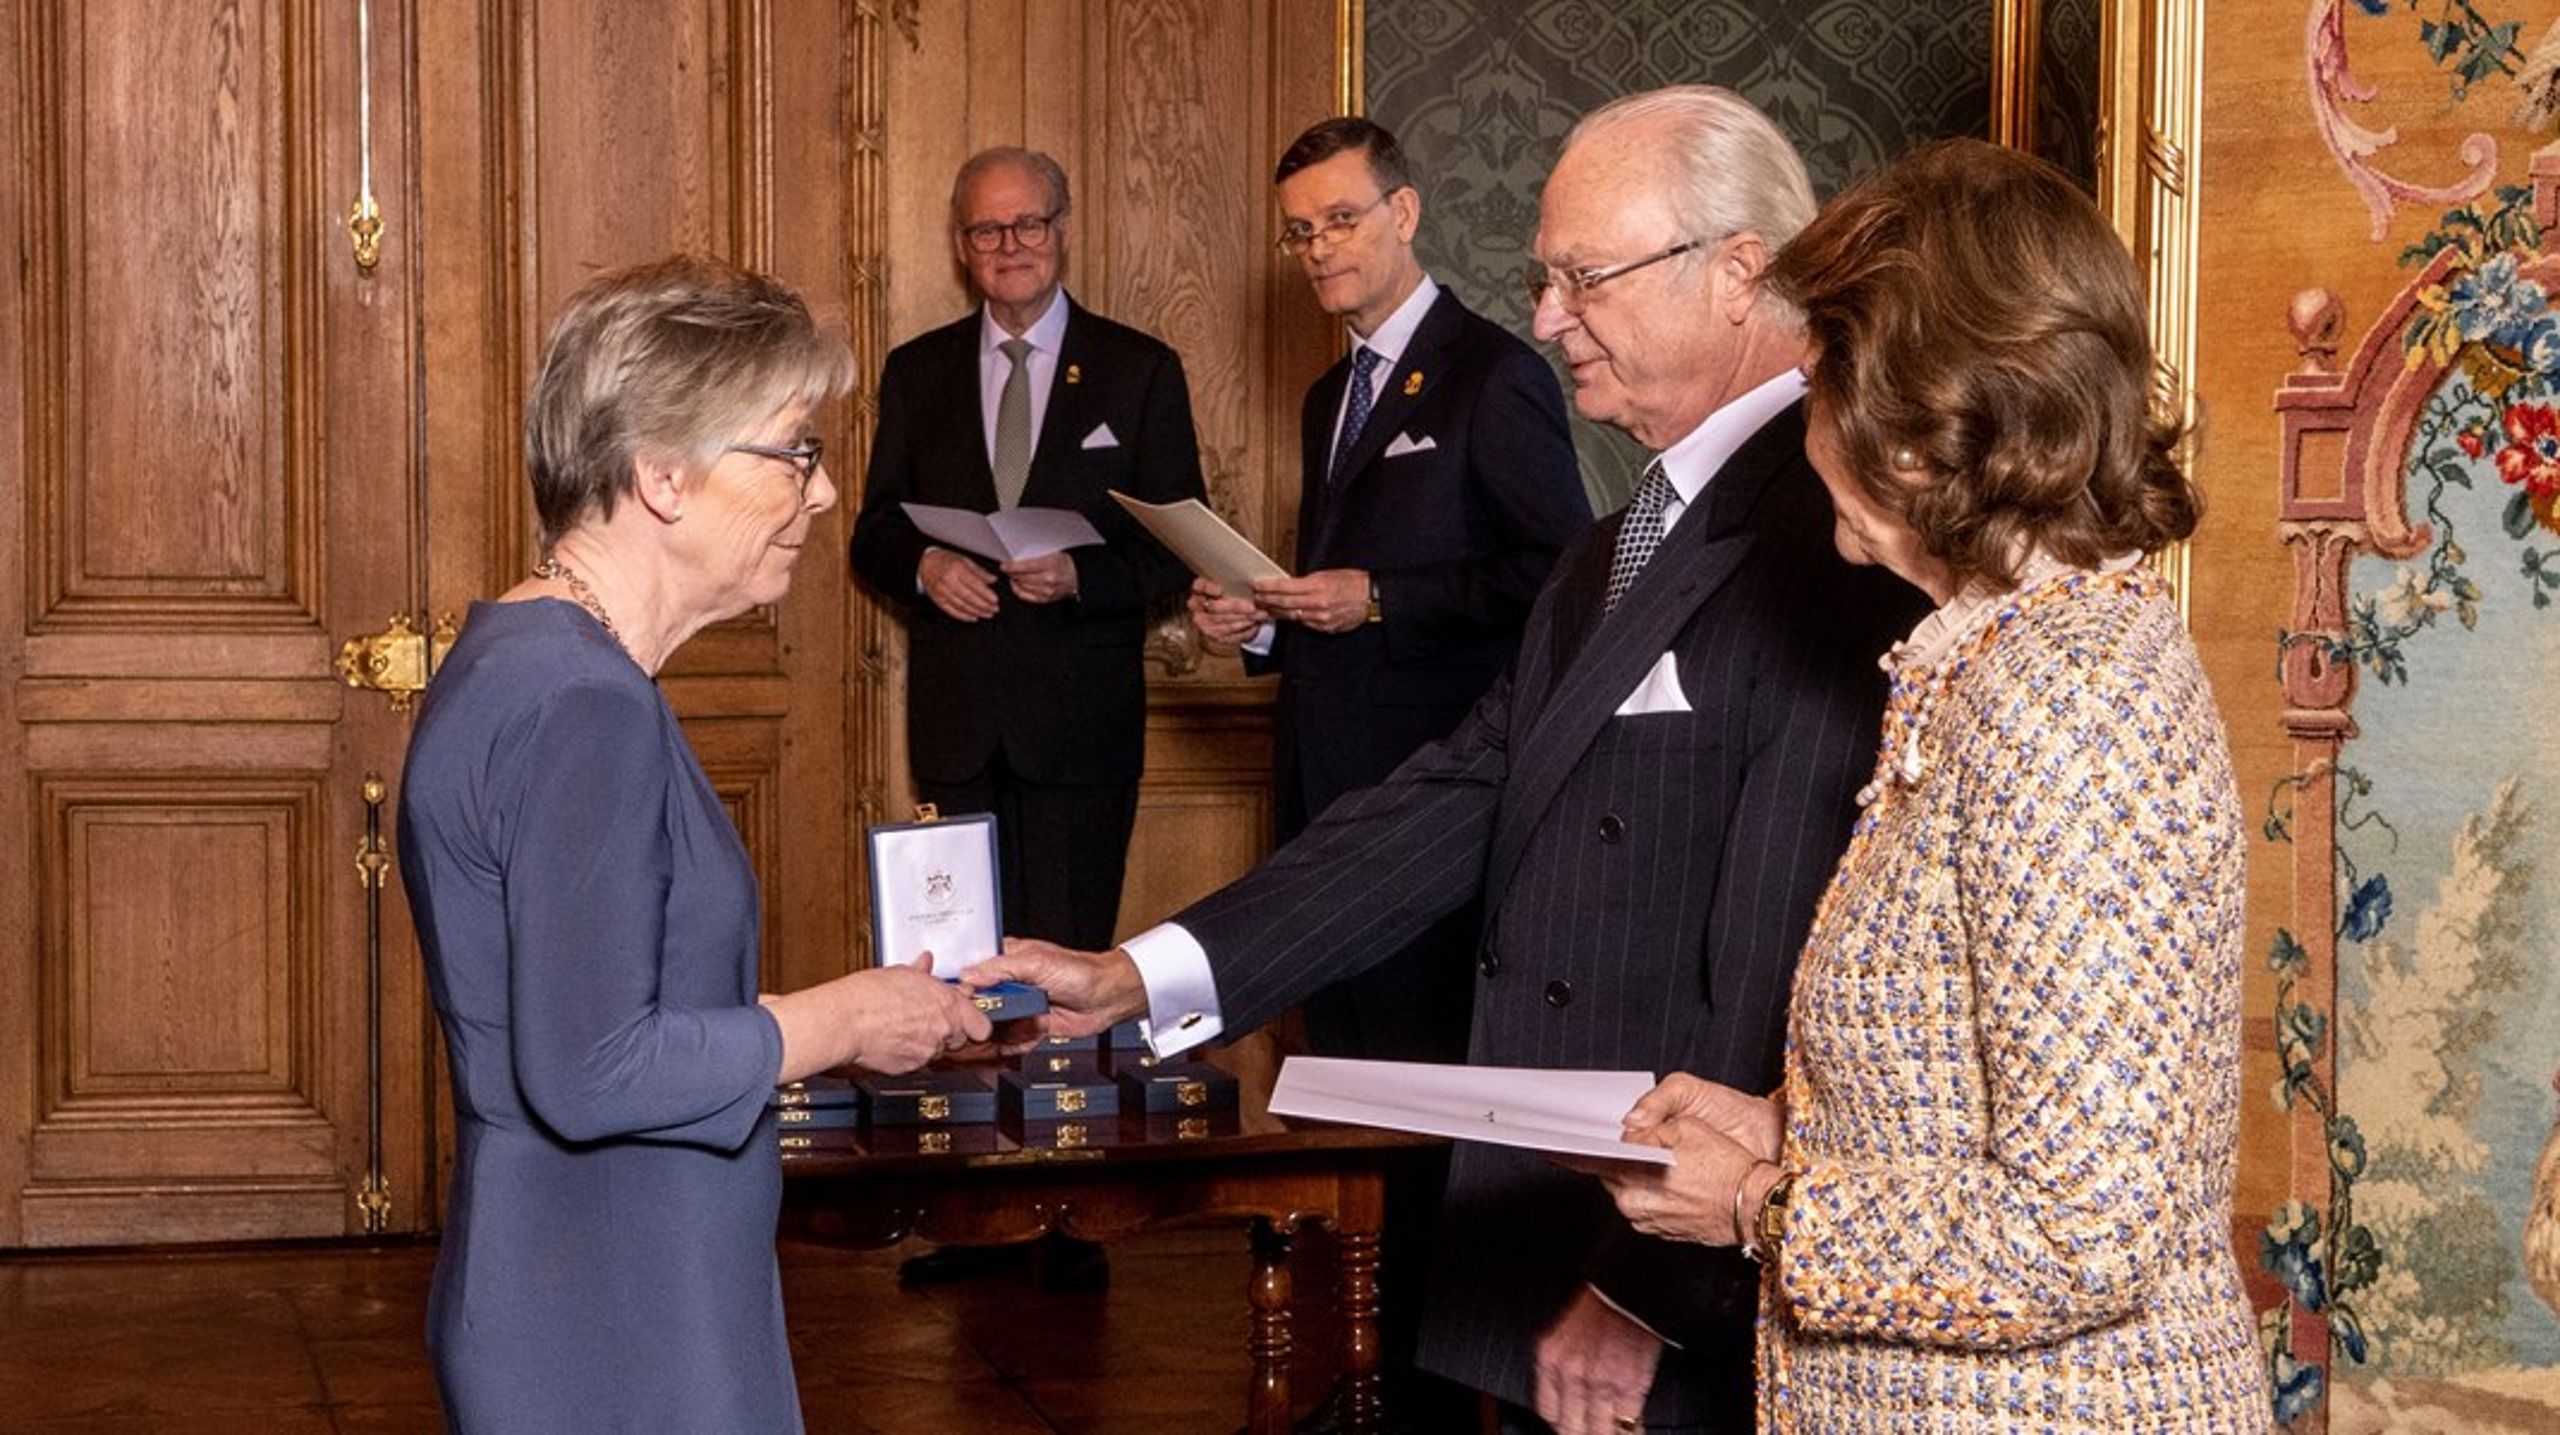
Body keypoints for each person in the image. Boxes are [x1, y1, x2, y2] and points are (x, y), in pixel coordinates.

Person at [978, 87, 1926, 1434]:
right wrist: (1146, 970)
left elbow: (1795, 965)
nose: (1545, 318)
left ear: (1740, 273)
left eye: (1583, 278)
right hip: (1566, 1220)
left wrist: (1651, 1286)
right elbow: (1451, 795)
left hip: (1687, 1274)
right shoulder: (1613, 548)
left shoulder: (1839, 530)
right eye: (1544, 281)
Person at [1583, 139, 2275, 1431]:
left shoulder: (2068, 701)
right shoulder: (2002, 663)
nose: (1807, 424)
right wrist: (1785, 1124)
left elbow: (2081, 1228)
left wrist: (1755, 1202)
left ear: (1916, 420)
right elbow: (1977, 1083)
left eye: (1820, 382)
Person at [398, 254, 993, 1432]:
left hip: (581, 1277)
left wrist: (816, 1030)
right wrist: (841, 1020)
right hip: (618, 1312)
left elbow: (585, 1004)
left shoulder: (520, 654)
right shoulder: (589, 703)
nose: (823, 497)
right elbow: (588, 1069)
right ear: (661, 475)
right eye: (795, 452)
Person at [1188, 114, 1591, 1429]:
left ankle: (1425, 1398)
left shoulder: (1492, 377)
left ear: (1408, 214)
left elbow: (1559, 579)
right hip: (1328, 802)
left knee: (1420, 1119)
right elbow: (1334, 603)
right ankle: (1376, 1382)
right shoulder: (1330, 393)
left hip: (1439, 817)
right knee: (1350, 1112)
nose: (1318, 249)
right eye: (1299, 231)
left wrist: (1379, 601)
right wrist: (1263, 623)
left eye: (1341, 220)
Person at [850, 146, 1204, 1292]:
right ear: (960, 246)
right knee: (955, 983)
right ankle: (973, 1216)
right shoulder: (916, 371)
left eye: (1027, 225)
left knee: (1064, 982)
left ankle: (1068, 1223)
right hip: (961, 721)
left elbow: (1176, 545)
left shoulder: (1141, 369)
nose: (1008, 246)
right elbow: (871, 533)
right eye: (985, 230)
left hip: (1080, 722)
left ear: (1063, 228)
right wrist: (926, 572)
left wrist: (1084, 580)